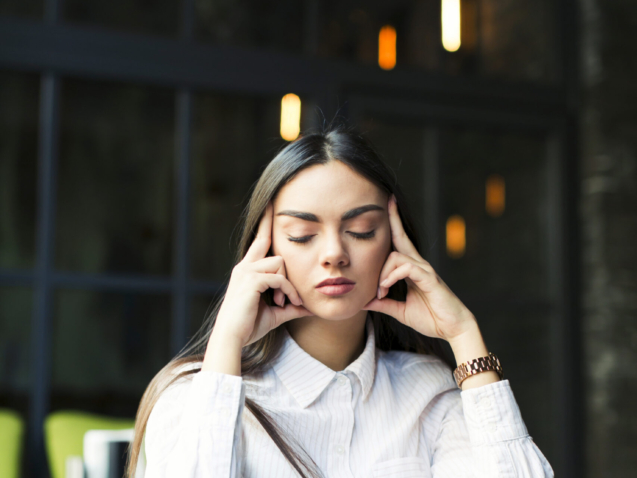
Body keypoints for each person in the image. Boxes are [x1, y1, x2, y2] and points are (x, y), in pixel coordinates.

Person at [126, 123, 554, 478]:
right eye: (302, 235)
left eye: (362, 229)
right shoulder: (196, 394)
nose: (333, 253)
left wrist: (464, 335)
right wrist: (226, 344)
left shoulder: (428, 392)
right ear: (267, 248)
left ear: (394, 241)